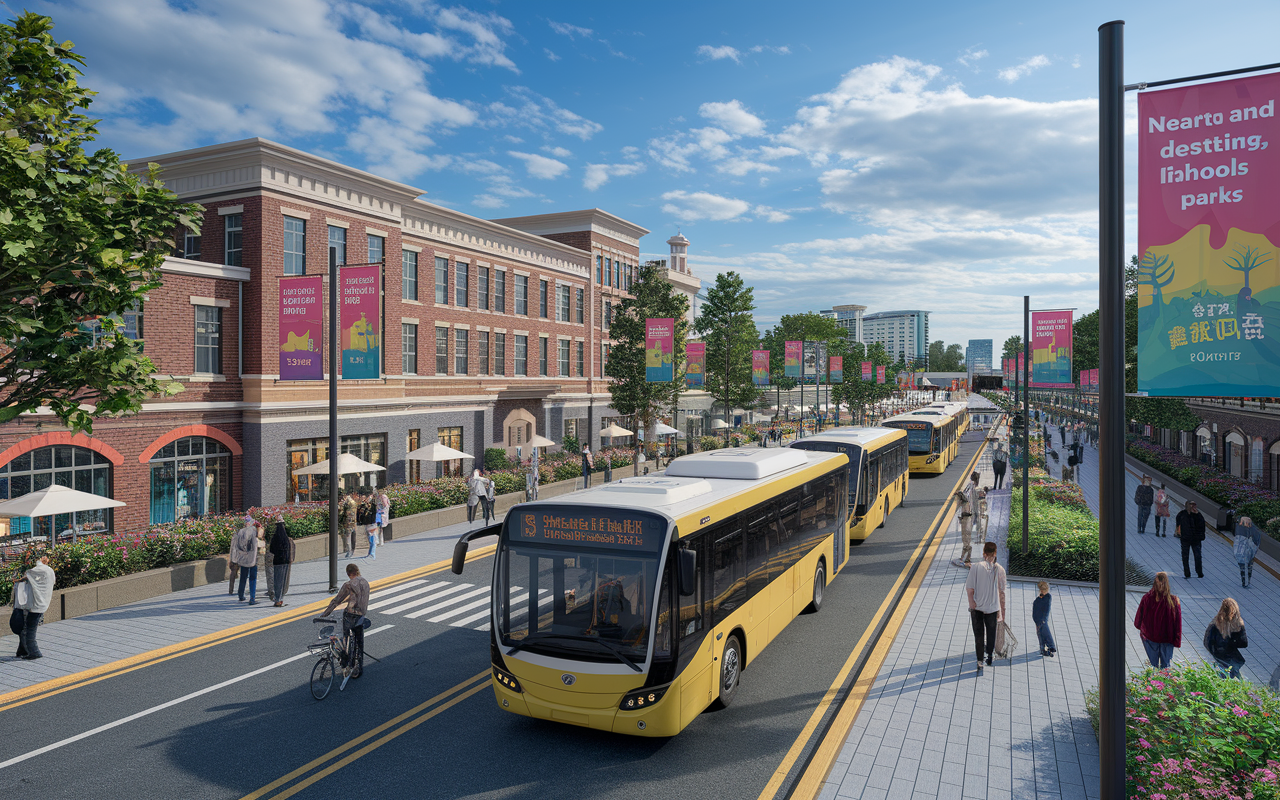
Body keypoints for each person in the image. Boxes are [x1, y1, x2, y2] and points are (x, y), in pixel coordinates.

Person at [965, 542, 1007, 674]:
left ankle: (979, 661)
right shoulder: (1000, 570)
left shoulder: (975, 567)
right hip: (993, 608)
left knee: (978, 635)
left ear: (984, 553)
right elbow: (1002, 593)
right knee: (991, 633)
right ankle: (989, 656)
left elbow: (970, 589)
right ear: (995, 554)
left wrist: (972, 603)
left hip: (977, 608)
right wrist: (1002, 611)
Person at [322, 562, 370, 675]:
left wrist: (326, 613)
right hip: (361, 615)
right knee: (359, 640)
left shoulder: (348, 584)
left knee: (346, 639)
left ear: (349, 574)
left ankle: (347, 662)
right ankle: (359, 666)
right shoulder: (366, 582)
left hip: (350, 615)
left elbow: (337, 600)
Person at [12, 554, 55, 660]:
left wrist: (22, 576)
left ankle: (35, 652)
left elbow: (30, 572)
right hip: (40, 604)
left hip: (36, 606)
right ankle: (22, 650)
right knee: (26, 628)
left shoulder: (41, 570)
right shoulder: (48, 571)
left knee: (30, 630)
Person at [1134, 571, 1181, 669]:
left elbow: (1137, 622)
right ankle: (1165, 683)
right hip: (1167, 639)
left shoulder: (1146, 598)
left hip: (1150, 637)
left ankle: (1152, 682)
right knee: (1165, 667)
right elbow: (1178, 624)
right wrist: (1177, 640)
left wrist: (1144, 629)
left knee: (1153, 666)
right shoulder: (1174, 601)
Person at [1204, 597, 1248, 679]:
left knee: (1221, 675)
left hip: (1219, 656)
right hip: (1232, 656)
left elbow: (1207, 642)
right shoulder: (1238, 624)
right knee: (1235, 675)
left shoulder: (1215, 623)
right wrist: (1232, 642)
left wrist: (1215, 652)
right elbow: (1244, 643)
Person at [231, 515, 260, 605]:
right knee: (252, 578)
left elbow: (235, 545)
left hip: (242, 558)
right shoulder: (254, 532)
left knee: (243, 577)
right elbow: (255, 546)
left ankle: (241, 595)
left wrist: (235, 558)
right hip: (252, 558)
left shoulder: (240, 532)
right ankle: (252, 598)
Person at [1175, 501, 1207, 578]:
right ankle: (1187, 572)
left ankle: (1199, 572)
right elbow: (1178, 524)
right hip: (1186, 538)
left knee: (1197, 555)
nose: (1193, 507)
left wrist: (1197, 515)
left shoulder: (1198, 515)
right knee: (1185, 556)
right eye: (1191, 505)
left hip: (1196, 539)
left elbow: (1202, 525)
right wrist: (1179, 533)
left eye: (1194, 505)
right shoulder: (1182, 514)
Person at [269, 515, 293, 607]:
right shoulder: (286, 537)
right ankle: (281, 598)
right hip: (286, 561)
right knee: (283, 581)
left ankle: (278, 600)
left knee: (277, 581)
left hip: (277, 561)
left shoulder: (275, 537)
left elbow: (272, 550)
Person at [1234, 516, 1262, 588]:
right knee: (1248, 565)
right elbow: (1257, 539)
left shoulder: (1240, 527)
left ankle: (1245, 581)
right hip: (1248, 550)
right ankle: (1246, 581)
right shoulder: (1253, 529)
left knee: (1244, 566)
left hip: (1244, 550)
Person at [1032, 580, 1056, 657]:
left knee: (1045, 632)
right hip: (1038, 619)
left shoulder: (1047, 598)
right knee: (1040, 634)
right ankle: (1043, 648)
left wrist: (1043, 619)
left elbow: (1046, 609)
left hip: (1042, 619)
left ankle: (1051, 647)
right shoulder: (1040, 598)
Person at [339, 491, 358, 558]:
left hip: (348, 523)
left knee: (348, 537)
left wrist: (341, 508)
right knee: (352, 537)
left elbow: (347, 513)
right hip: (353, 522)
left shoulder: (348, 503)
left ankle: (349, 551)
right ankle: (351, 550)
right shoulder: (352, 502)